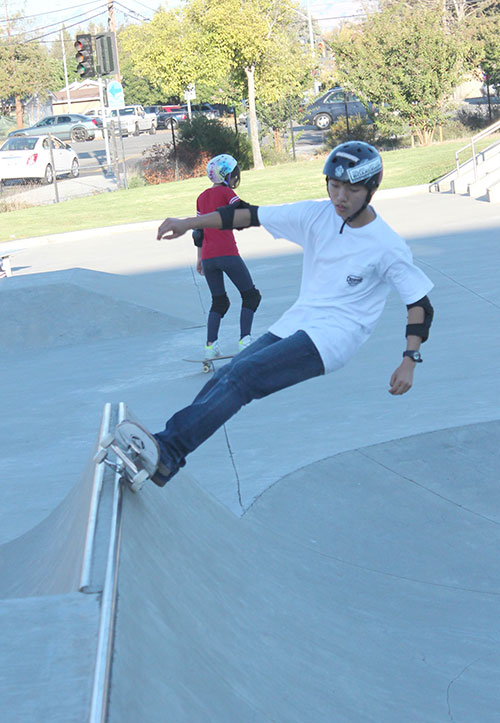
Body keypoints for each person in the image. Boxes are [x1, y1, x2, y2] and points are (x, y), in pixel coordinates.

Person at [124, 141, 435, 487]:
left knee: (244, 378)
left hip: (334, 338)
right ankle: (167, 456)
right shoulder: (316, 215)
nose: (340, 197)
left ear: (371, 189)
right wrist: (189, 223)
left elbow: (419, 304)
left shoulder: (386, 245)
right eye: (334, 186)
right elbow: (246, 215)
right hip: (298, 322)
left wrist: (410, 358)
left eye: (351, 189)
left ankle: (167, 449)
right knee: (225, 375)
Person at [193, 153, 261, 359]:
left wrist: (199, 258)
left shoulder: (201, 197)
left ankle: (210, 346)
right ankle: (245, 340)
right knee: (251, 295)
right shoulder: (226, 193)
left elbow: (198, 231)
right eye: (233, 175)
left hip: (208, 256)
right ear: (227, 176)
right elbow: (239, 208)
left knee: (219, 301)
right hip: (227, 253)